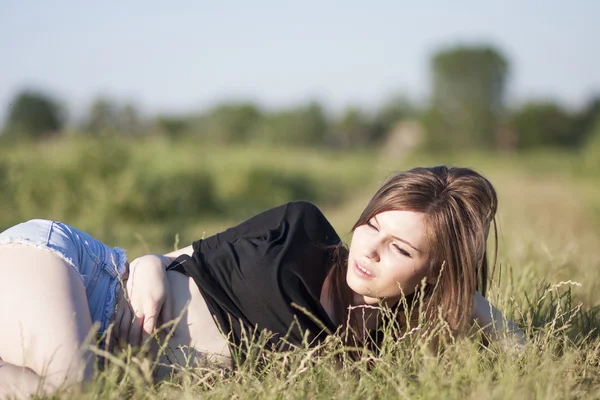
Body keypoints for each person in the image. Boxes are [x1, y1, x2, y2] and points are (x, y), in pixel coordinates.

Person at [0, 166, 522, 398]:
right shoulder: (300, 227)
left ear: (434, 273)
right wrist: (152, 266)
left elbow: (519, 353)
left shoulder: (388, 347)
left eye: (402, 249)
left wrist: (462, 293)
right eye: (373, 225)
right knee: (72, 391)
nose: (370, 249)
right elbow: (177, 257)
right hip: (85, 278)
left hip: (98, 349)